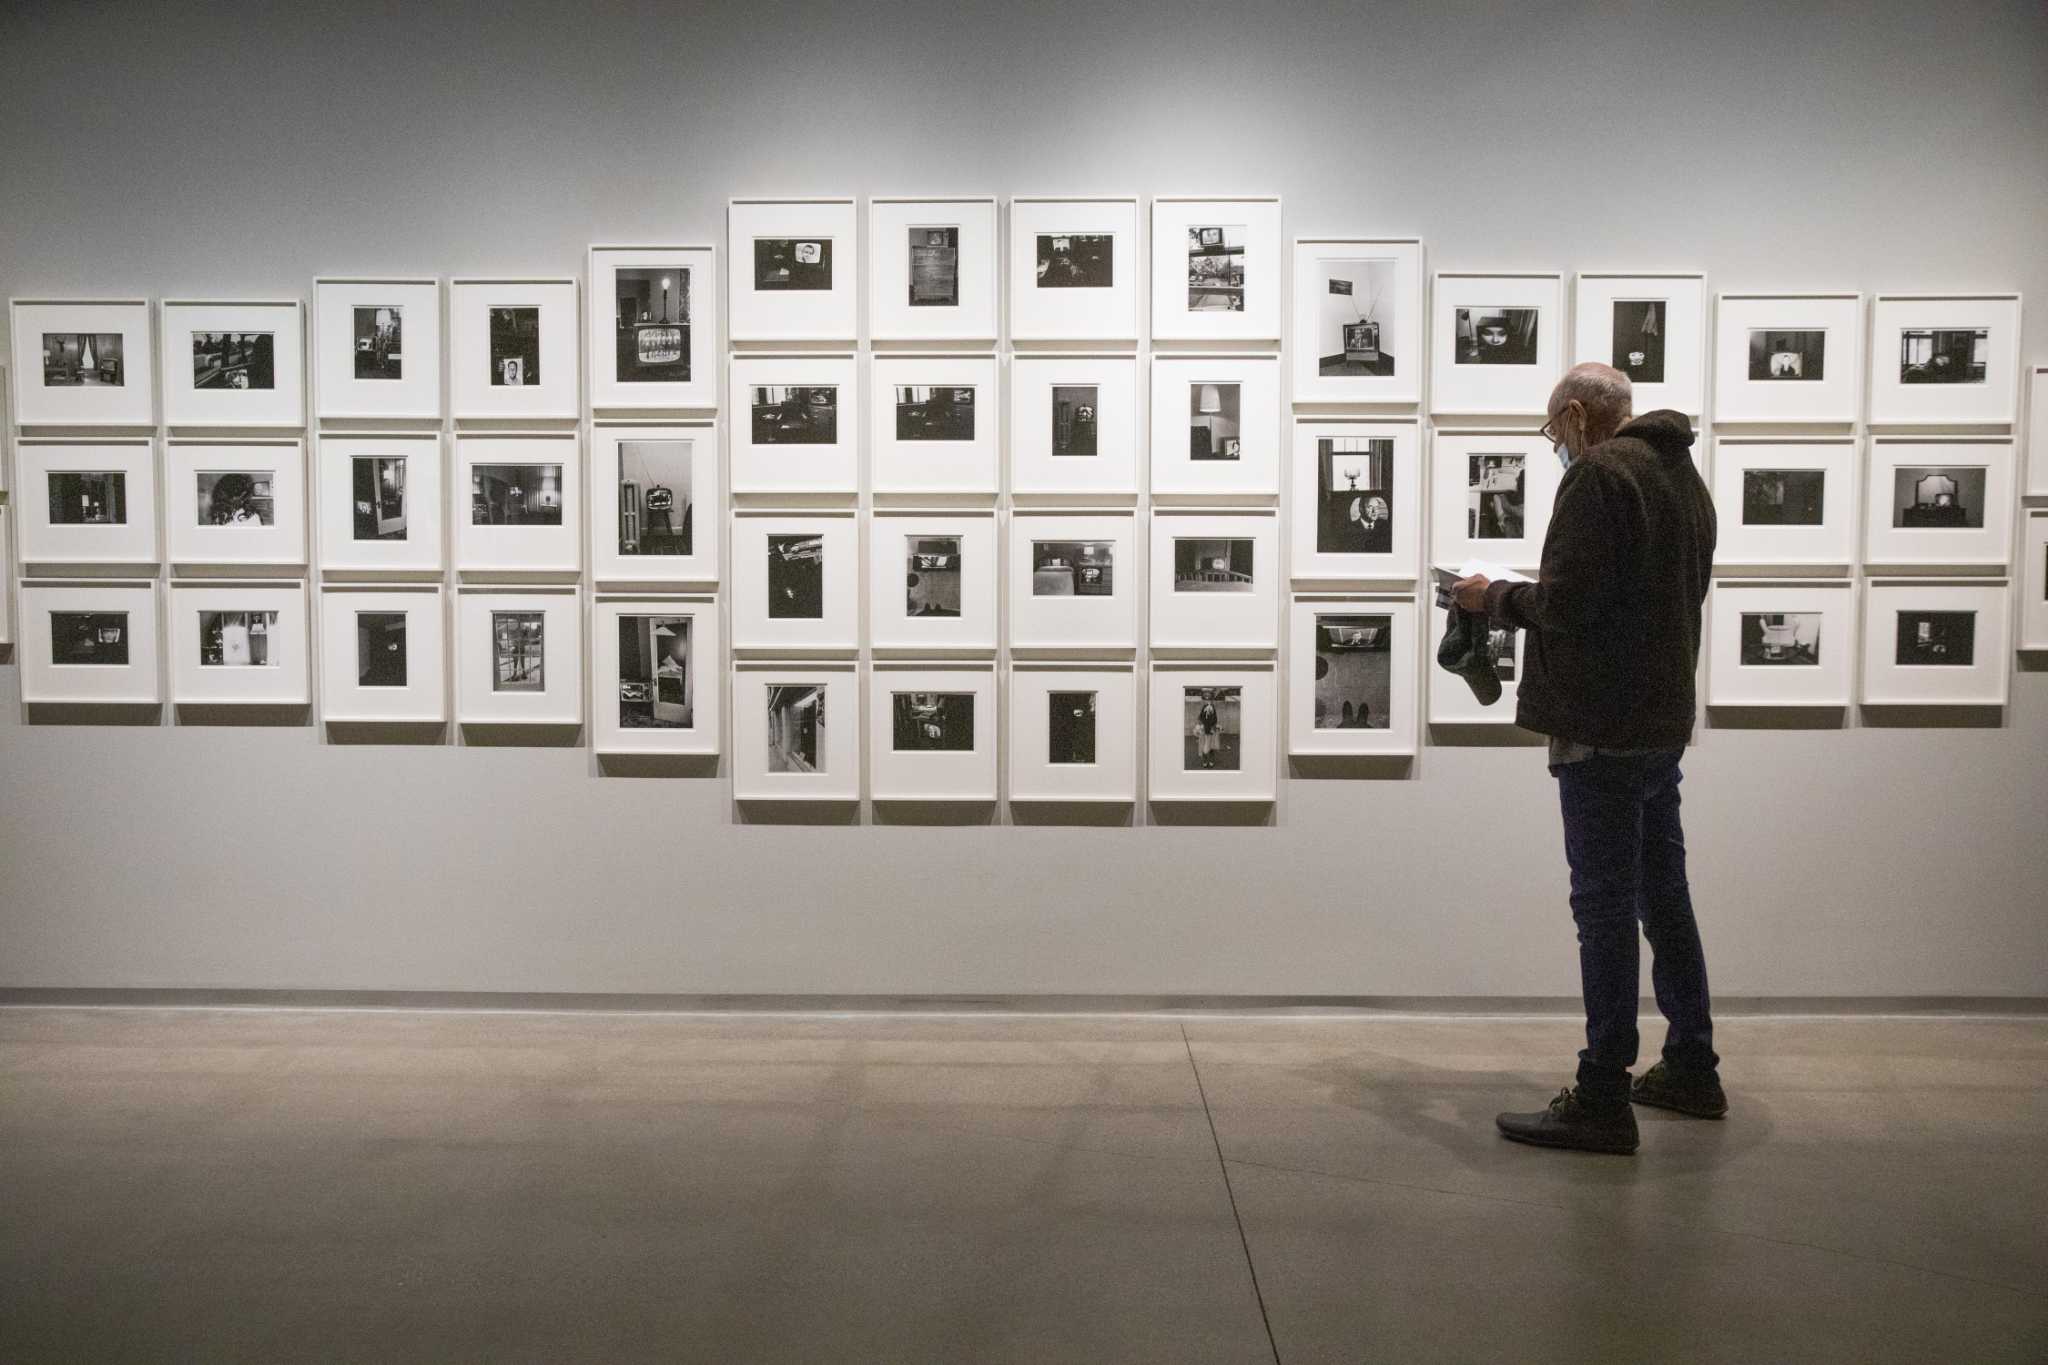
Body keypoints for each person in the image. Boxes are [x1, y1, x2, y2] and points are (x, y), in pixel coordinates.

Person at [1452, 362, 1724, 1156]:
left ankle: (1603, 1092)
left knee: (1602, 907)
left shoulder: (1601, 474)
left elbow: (1567, 606)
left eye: (1550, 431)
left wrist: (1488, 597)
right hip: (1658, 718)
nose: (1554, 446)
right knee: (1662, 892)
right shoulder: (1681, 473)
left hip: (1601, 722)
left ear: (1574, 415)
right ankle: (1691, 1063)